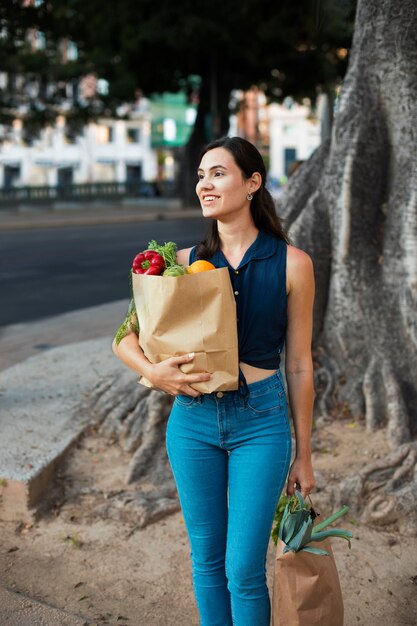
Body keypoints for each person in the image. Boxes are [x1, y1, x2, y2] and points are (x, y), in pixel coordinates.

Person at [112, 136, 315, 626]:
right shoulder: (178, 263)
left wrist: (305, 454)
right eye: (202, 174)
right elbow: (124, 338)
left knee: (244, 569)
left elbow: (301, 364)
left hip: (261, 422)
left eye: (218, 173)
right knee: (206, 562)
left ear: (252, 183)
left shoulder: (293, 263)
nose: (205, 183)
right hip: (193, 423)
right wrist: (153, 374)